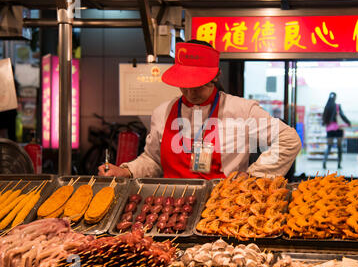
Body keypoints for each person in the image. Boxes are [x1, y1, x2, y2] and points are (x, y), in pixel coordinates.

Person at [98, 40, 302, 179]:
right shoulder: (163, 112)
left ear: (216, 76)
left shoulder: (242, 110)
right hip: (173, 205)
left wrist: (253, 176)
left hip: (224, 206)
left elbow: (288, 140)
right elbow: (153, 159)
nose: (189, 91)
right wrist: (127, 171)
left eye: (196, 84)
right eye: (183, 84)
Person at [321, 92, 351, 169]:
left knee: (329, 147)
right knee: (339, 147)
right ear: (335, 97)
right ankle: (339, 164)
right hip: (338, 129)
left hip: (329, 130)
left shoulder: (326, 107)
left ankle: (324, 162)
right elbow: (342, 115)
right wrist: (348, 122)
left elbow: (323, 120)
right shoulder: (337, 106)